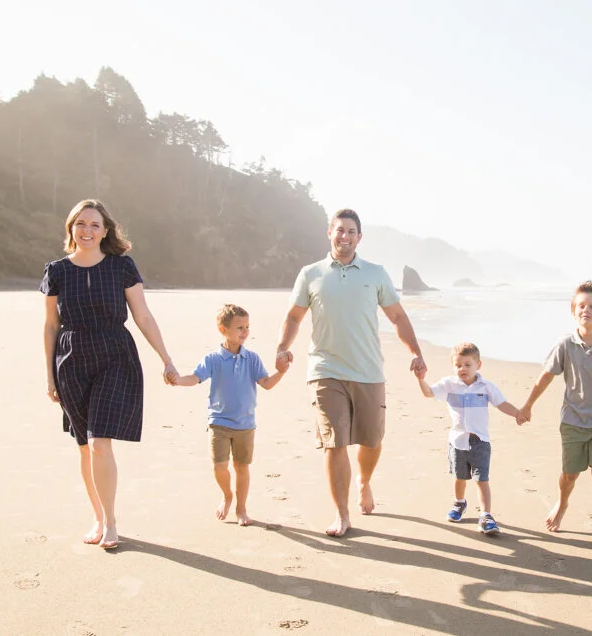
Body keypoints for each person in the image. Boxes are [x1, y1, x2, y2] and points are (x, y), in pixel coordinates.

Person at [276, 208, 426, 537]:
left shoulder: (375, 273)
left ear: (359, 237)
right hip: (325, 369)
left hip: (368, 371)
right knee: (335, 443)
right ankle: (341, 515)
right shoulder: (311, 273)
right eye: (339, 230)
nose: (345, 236)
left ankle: (364, 481)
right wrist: (283, 347)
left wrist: (415, 351)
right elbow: (293, 317)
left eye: (351, 231)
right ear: (329, 233)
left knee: (372, 441)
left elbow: (398, 317)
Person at [41, 199, 178, 550]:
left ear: (106, 231)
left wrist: (166, 358)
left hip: (115, 355)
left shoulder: (121, 267)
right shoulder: (56, 271)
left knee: (101, 441)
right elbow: (51, 325)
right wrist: (49, 376)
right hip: (71, 360)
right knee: (85, 446)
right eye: (81, 224)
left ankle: (112, 521)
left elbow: (143, 316)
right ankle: (98, 517)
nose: (87, 230)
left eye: (95, 225)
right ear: (71, 228)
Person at [519, 281, 592, 554]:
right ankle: (562, 502)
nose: (586, 310)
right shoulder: (565, 345)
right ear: (573, 311)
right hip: (572, 422)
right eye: (581, 306)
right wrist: (527, 405)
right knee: (569, 475)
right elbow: (546, 377)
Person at [171, 304, 289, 526]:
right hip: (219, 422)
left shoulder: (252, 358)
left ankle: (241, 509)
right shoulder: (213, 359)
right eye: (239, 327)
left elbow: (266, 384)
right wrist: (177, 380)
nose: (244, 332)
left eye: (247, 327)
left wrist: (281, 371)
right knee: (219, 466)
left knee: (242, 467)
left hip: (246, 423)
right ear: (222, 329)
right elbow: (195, 378)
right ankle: (227, 495)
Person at [416, 342, 523, 535]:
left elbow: (502, 404)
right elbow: (428, 393)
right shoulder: (449, 385)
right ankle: (459, 503)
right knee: (460, 477)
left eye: (467, 364)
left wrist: (517, 413)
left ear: (478, 365)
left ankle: (486, 515)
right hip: (458, 441)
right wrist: (420, 379)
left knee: (482, 479)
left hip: (480, 441)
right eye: (458, 365)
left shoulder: (486, 386)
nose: (462, 369)